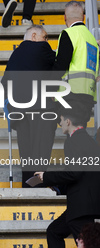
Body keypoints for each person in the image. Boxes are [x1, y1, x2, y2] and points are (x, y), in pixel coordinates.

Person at [34, 103, 100, 248]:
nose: (60, 123)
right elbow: (81, 173)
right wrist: (58, 187)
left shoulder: (73, 141)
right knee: (54, 231)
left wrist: (46, 177)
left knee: (87, 244)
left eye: (61, 120)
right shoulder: (89, 141)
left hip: (81, 208)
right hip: (84, 205)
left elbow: (74, 172)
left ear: (68, 121)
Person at [1, 25, 56, 186]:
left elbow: (4, 82)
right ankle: (38, 186)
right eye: (45, 37)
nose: (47, 41)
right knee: (41, 151)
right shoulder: (42, 48)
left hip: (19, 112)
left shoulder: (15, 54)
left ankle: (28, 187)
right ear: (33, 35)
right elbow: (61, 62)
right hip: (42, 111)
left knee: (26, 153)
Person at [53, 0, 99, 127]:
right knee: (79, 131)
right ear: (83, 17)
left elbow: (61, 65)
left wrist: (51, 89)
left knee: (72, 134)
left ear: (64, 17)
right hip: (88, 95)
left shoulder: (69, 34)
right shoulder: (91, 38)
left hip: (71, 94)